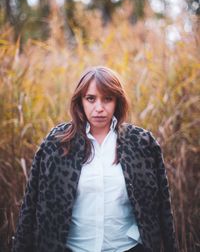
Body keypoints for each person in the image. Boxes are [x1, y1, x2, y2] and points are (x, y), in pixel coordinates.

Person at [12, 66, 177, 252]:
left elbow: (163, 207)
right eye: (91, 98)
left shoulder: (141, 143)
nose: (99, 108)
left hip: (127, 248)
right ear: (80, 101)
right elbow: (30, 206)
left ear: (117, 101)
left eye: (107, 99)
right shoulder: (57, 143)